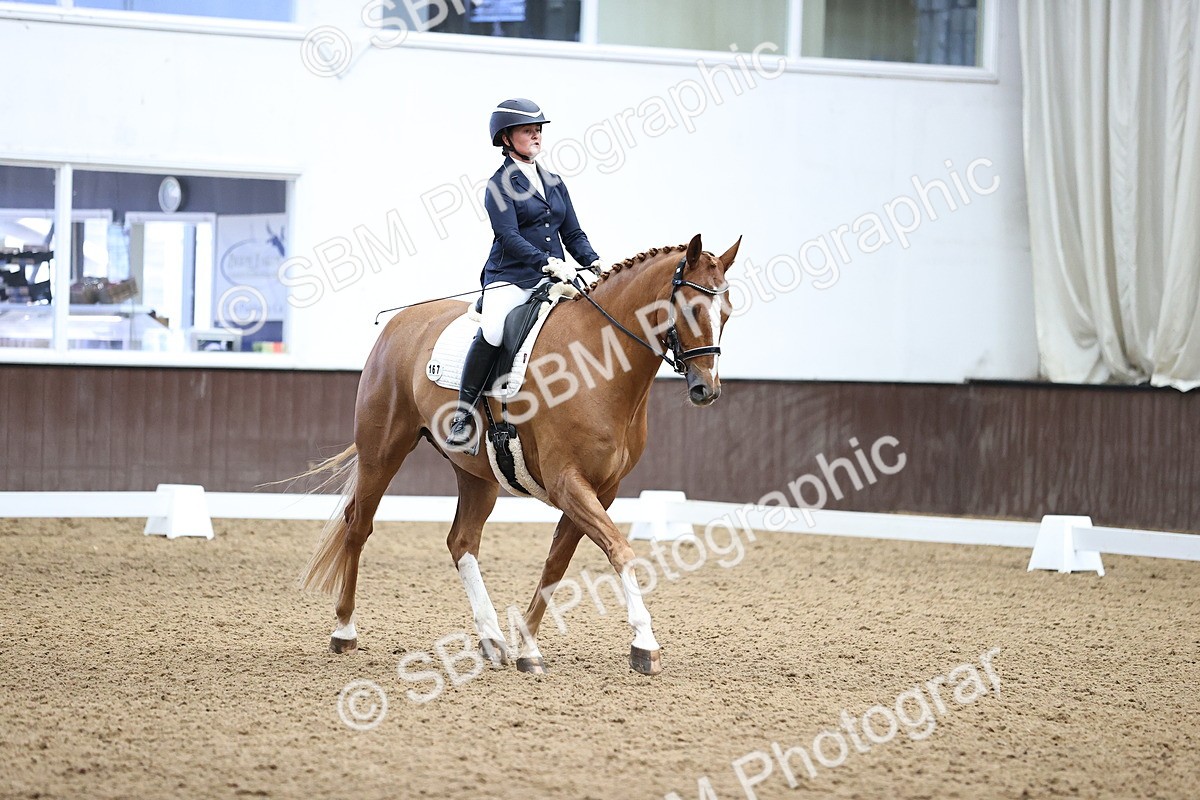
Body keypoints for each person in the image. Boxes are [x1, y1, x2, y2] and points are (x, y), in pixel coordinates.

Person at [445, 98, 605, 449]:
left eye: (538, 130)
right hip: (511, 276)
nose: (536, 136)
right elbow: (508, 236)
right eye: (527, 131)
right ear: (506, 139)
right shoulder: (499, 185)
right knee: (493, 331)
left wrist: (593, 261)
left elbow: (572, 232)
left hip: (555, 276)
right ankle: (463, 415)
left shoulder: (554, 182)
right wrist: (545, 262)